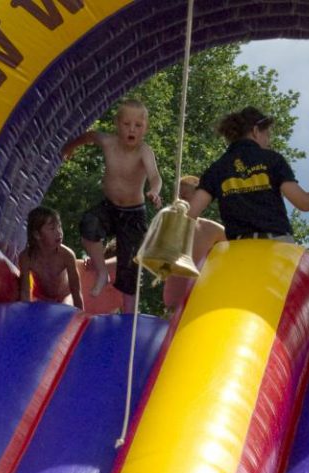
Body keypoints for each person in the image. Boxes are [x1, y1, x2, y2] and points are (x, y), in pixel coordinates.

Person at [187, 106, 309, 241]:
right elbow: (304, 203)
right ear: (255, 131)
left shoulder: (217, 168)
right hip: (275, 248)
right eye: (267, 135)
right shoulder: (272, 160)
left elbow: (190, 214)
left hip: (237, 254)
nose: (268, 141)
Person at [61, 98, 163, 313]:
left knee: (130, 266)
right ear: (117, 124)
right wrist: (70, 147)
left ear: (146, 128)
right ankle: (101, 272)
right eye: (127, 124)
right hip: (109, 207)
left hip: (133, 213)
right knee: (89, 225)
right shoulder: (108, 142)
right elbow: (90, 136)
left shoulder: (144, 151)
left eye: (138, 125)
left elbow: (155, 176)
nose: (131, 129)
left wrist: (154, 191)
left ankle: (129, 313)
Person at [163, 176, 227, 311]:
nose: (180, 202)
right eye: (177, 198)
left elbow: (236, 249)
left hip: (200, 302)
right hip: (174, 304)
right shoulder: (166, 226)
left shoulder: (211, 229)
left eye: (185, 197)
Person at [19, 206, 84, 309]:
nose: (59, 232)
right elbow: (25, 292)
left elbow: (76, 291)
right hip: (42, 298)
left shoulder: (66, 255)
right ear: (37, 235)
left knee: (66, 309)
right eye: (52, 228)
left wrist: (81, 316)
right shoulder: (26, 257)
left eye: (59, 226)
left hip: (65, 296)